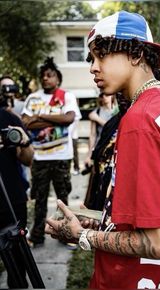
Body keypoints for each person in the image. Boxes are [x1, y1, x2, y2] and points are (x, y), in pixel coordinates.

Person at [45, 11, 160, 289]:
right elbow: (154, 210)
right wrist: (97, 223)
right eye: (92, 58)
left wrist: (82, 236)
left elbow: (157, 242)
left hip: (127, 279)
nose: (93, 67)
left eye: (102, 55)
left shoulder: (139, 119)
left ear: (136, 54)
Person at [22, 57, 81, 247]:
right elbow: (25, 122)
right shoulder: (33, 98)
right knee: (39, 198)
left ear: (58, 78)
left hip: (62, 157)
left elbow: (69, 118)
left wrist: (39, 116)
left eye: (50, 75)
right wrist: (56, 118)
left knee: (63, 198)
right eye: (43, 76)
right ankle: (36, 236)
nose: (45, 78)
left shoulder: (67, 96)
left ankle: (66, 234)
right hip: (39, 158)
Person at [0, 81, 34, 288]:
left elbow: (28, 159)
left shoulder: (9, 119)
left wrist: (24, 142)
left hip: (12, 199)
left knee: (17, 258)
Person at [84, 92, 115, 170]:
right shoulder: (96, 112)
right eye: (102, 95)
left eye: (107, 94)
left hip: (114, 147)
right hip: (100, 147)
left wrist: (97, 119)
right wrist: (89, 155)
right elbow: (92, 135)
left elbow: (113, 128)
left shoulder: (117, 111)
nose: (105, 97)